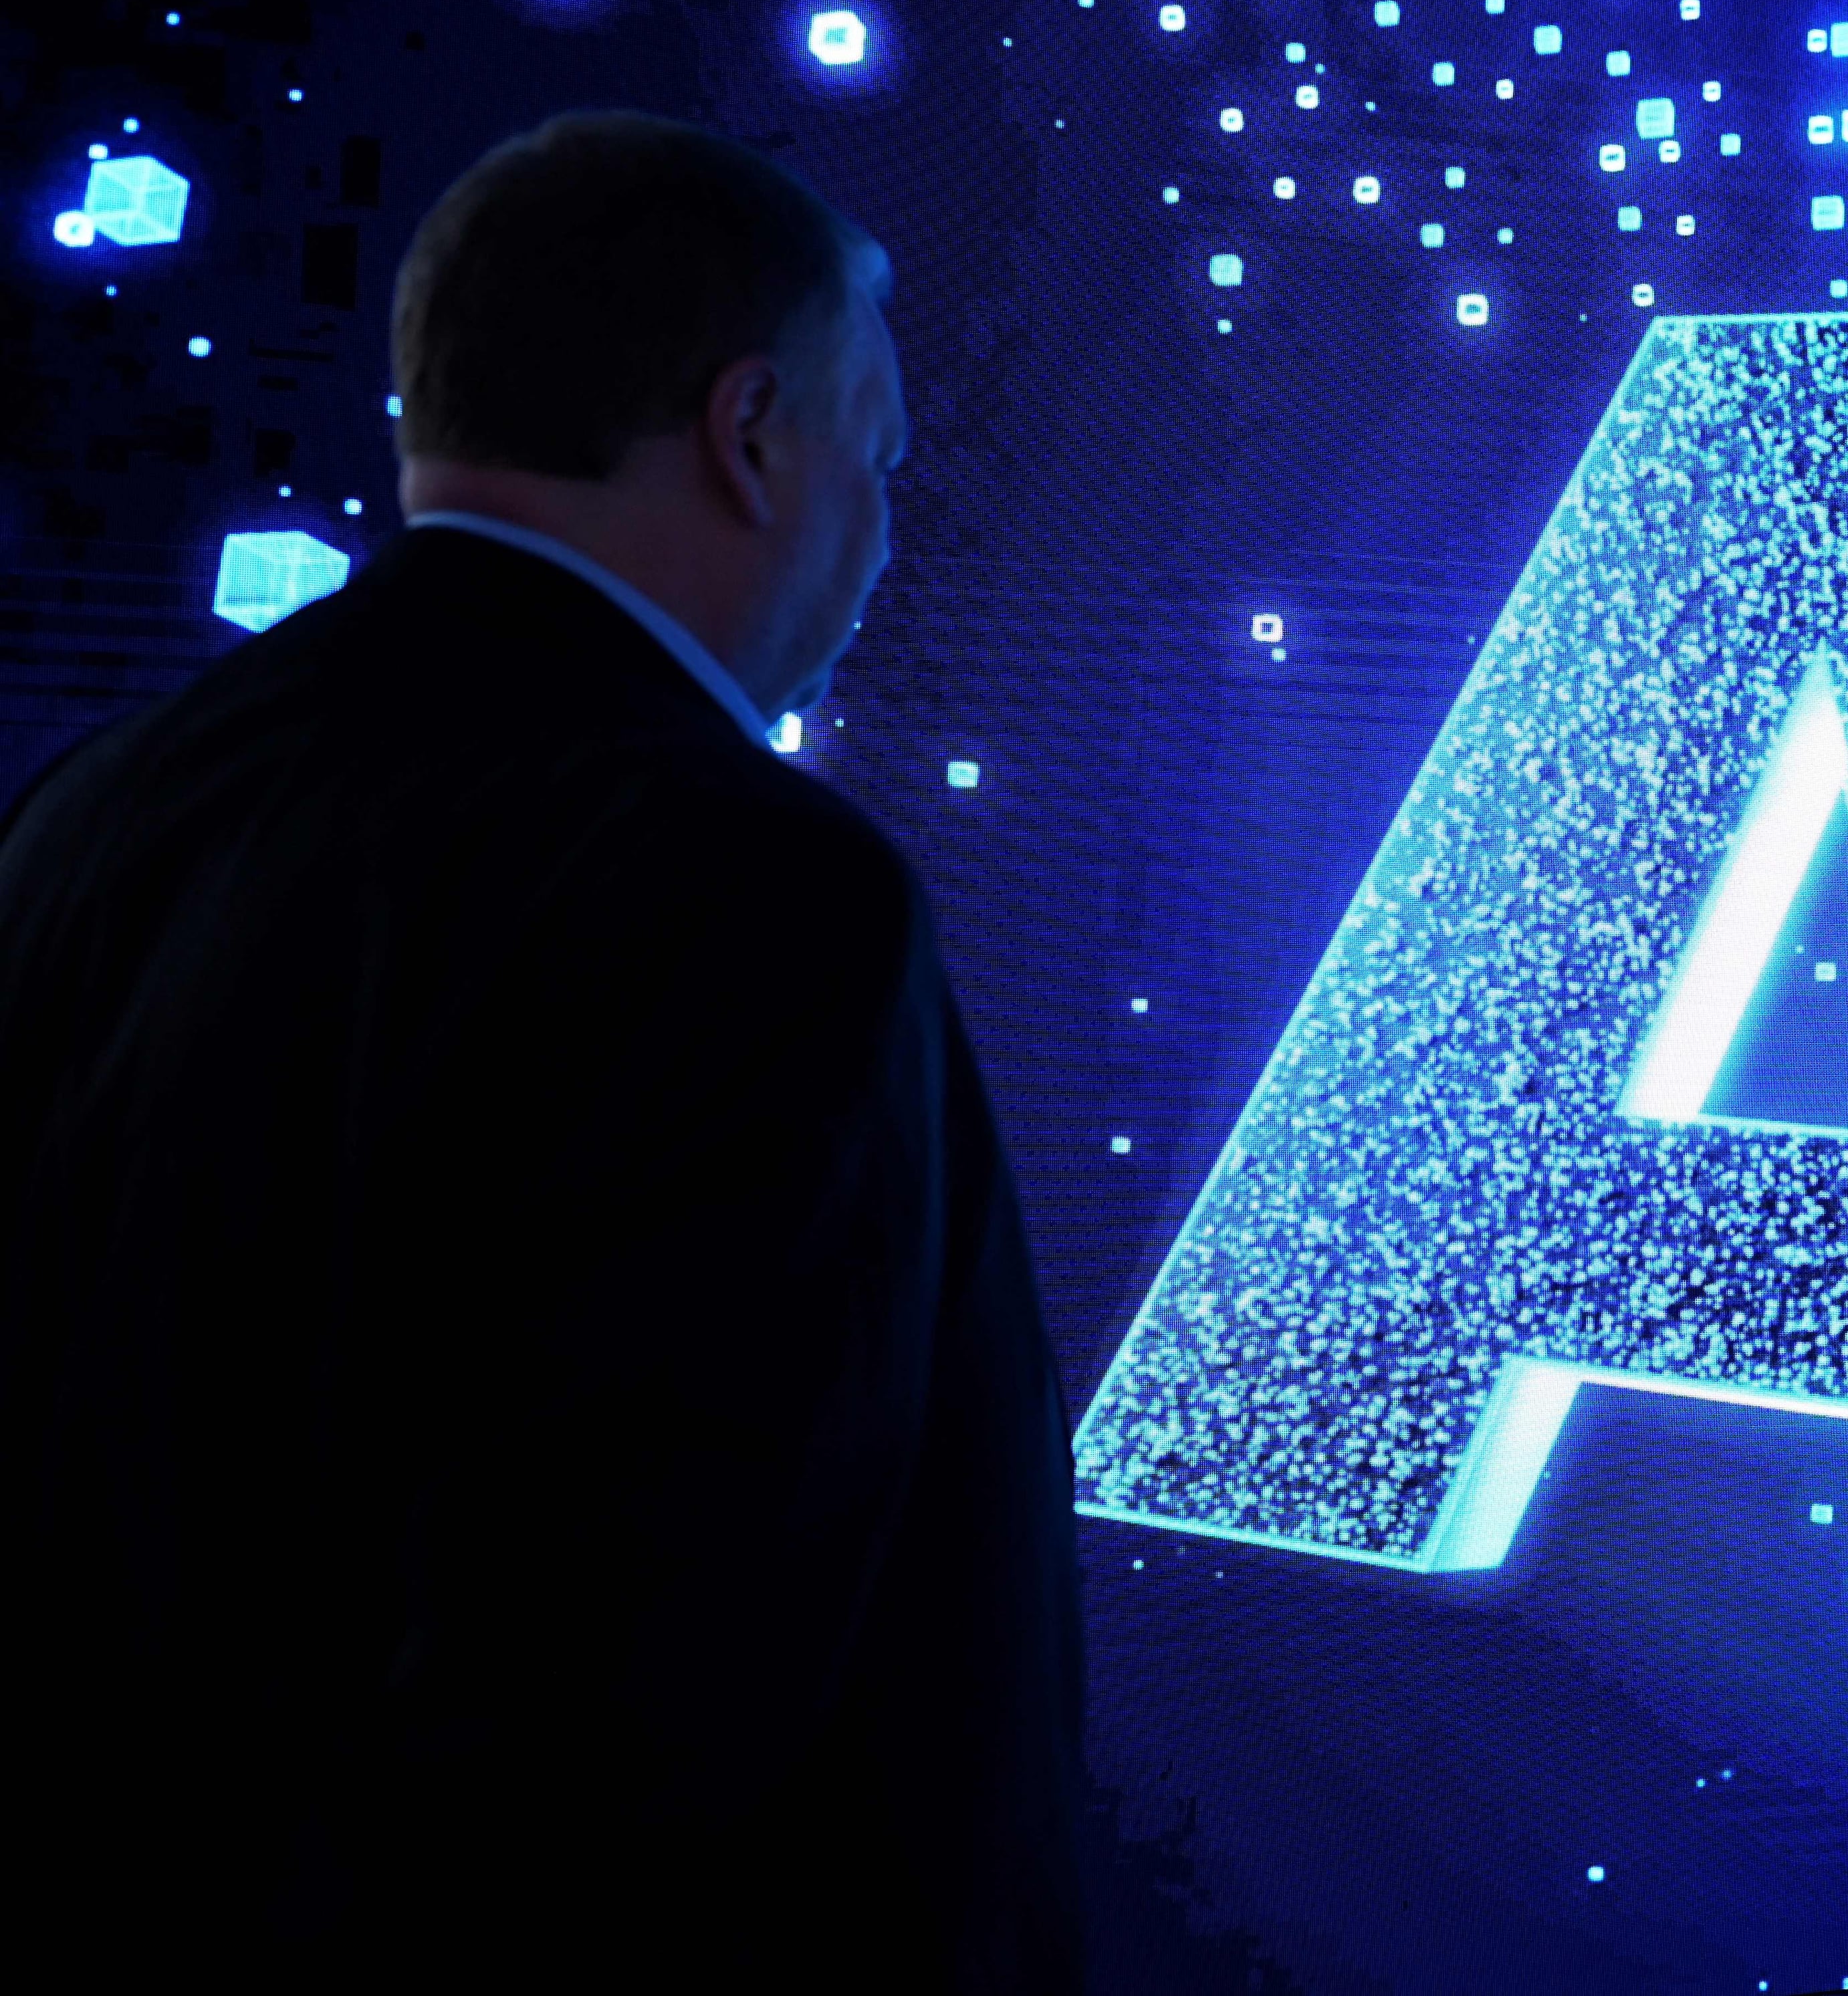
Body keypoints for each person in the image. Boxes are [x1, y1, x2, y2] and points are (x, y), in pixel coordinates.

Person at [0, 113, 1082, 1990]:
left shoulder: (96, 810)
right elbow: (666, 1667)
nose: (883, 536)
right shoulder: (754, 885)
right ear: (751, 435)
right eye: (878, 458)